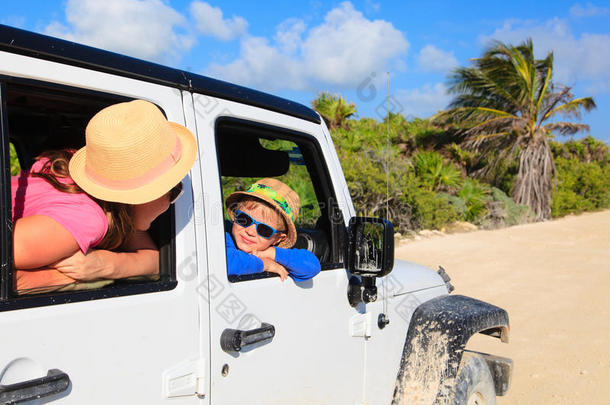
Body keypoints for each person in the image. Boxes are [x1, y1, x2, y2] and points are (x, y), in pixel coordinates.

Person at [12, 99, 197, 293]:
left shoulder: (69, 174)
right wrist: (64, 279)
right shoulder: (86, 219)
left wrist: (108, 264)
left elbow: (157, 261)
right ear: (141, 196)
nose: (176, 197)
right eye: (175, 189)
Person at [224, 178, 321, 282]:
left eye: (264, 230)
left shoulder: (274, 255)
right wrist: (266, 265)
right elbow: (225, 262)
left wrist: (271, 253)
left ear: (278, 238)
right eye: (244, 219)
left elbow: (312, 267)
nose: (250, 231)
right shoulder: (222, 237)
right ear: (235, 215)